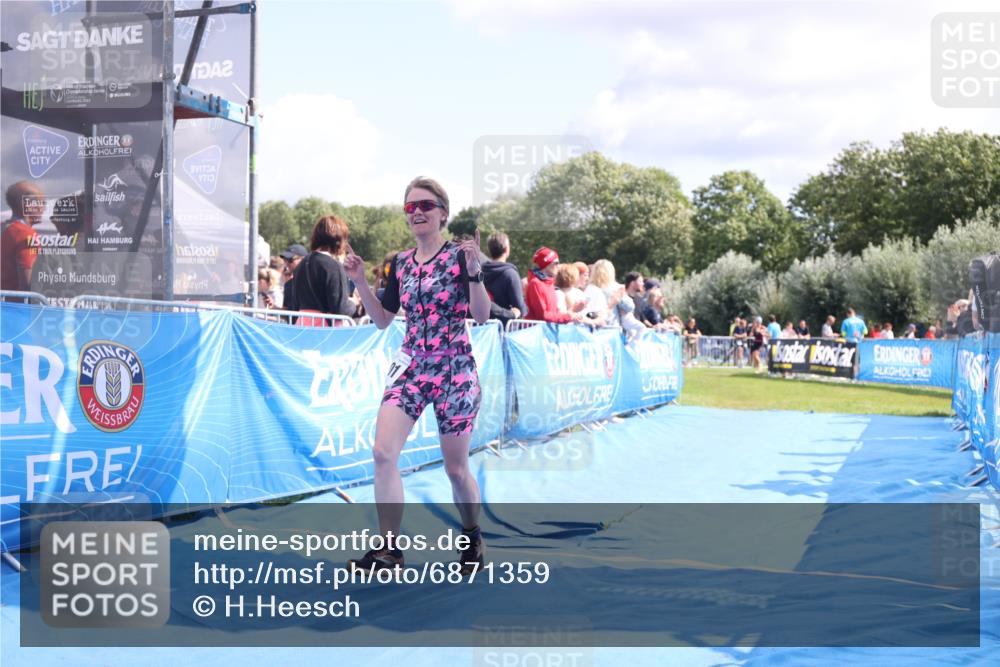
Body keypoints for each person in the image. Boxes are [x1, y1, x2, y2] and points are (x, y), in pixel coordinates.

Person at [343, 176, 490, 574]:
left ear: (443, 212)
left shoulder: (461, 256)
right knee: (382, 452)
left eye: (425, 205)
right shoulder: (401, 262)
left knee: (456, 469)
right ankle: (389, 548)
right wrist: (358, 281)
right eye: (411, 207)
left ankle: (472, 534)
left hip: (454, 369)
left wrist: (475, 272)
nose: (418, 213)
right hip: (411, 366)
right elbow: (380, 320)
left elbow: (480, 316)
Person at [294, 217, 357, 323]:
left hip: (302, 326)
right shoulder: (333, 266)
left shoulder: (301, 265)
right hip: (325, 331)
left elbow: (294, 305)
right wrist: (353, 303)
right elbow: (340, 310)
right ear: (338, 240)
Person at [1, 181, 46, 292]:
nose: (44, 208)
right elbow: (29, 283)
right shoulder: (26, 234)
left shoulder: (4, 229)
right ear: (28, 204)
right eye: (42, 203)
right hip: (17, 307)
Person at [525, 247, 587, 324]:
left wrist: (572, 313)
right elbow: (543, 315)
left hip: (547, 331)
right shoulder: (535, 283)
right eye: (556, 263)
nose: (559, 266)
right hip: (537, 332)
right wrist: (568, 316)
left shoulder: (549, 283)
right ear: (546, 264)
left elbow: (554, 312)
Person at [481, 231, 527, 325]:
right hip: (503, 329)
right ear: (507, 249)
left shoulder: (478, 272)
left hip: (480, 329)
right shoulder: (510, 274)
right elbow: (520, 308)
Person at [279, 243, 307, 312]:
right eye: (285, 260)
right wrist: (273, 308)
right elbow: (286, 312)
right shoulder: (288, 285)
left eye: (290, 260)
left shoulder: (312, 283)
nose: (287, 263)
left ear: (303, 259)